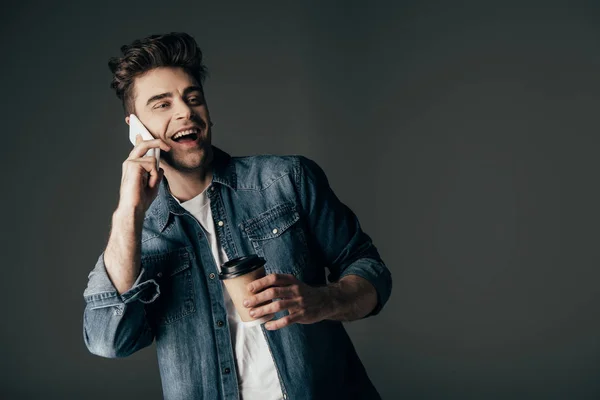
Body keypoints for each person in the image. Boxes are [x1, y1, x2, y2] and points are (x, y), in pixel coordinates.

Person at [82, 32, 392, 400]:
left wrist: (323, 300)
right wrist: (129, 211)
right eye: (162, 104)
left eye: (192, 97)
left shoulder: (286, 180)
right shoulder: (139, 236)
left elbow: (371, 271)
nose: (185, 111)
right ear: (136, 129)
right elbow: (108, 341)